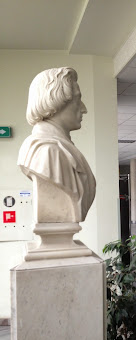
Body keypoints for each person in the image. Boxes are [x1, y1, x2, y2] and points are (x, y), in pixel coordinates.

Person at [18, 67, 96, 223]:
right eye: (77, 99)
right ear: (55, 102)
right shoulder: (47, 151)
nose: (83, 108)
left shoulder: (60, 148)